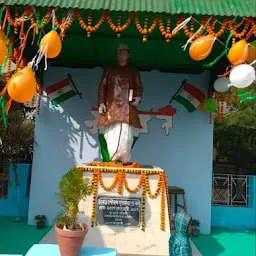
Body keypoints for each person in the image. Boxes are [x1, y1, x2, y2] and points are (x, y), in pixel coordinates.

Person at [97, 43, 143, 163]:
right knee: (111, 134)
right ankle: (112, 159)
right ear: (117, 54)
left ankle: (124, 160)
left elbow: (139, 87)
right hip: (111, 108)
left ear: (128, 54)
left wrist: (138, 98)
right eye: (120, 51)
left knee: (126, 137)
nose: (122, 53)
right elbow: (102, 87)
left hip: (127, 109)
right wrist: (101, 103)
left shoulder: (133, 71)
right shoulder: (109, 70)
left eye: (124, 51)